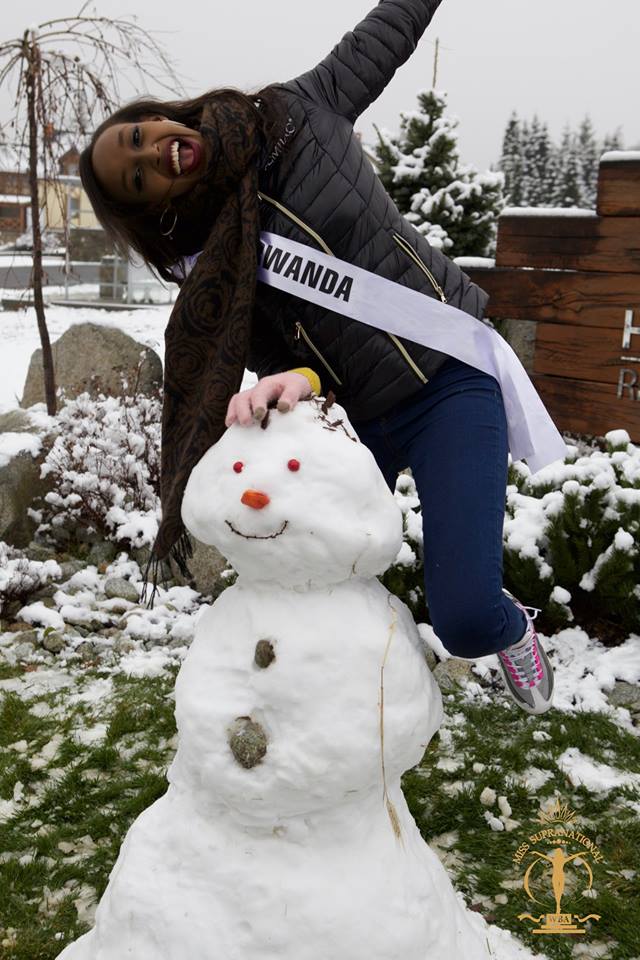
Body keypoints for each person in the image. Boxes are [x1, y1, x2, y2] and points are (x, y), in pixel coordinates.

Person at [80, 0, 556, 715]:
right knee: (303, 578)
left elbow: (390, 31)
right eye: (140, 176)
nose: (155, 153)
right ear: (155, 208)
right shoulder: (214, 264)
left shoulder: (298, 113)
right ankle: (336, 728)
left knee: (462, 619)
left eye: (142, 135)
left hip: (447, 381)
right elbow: (289, 358)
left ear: (161, 114)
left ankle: (510, 625)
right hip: (354, 421)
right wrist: (291, 384)